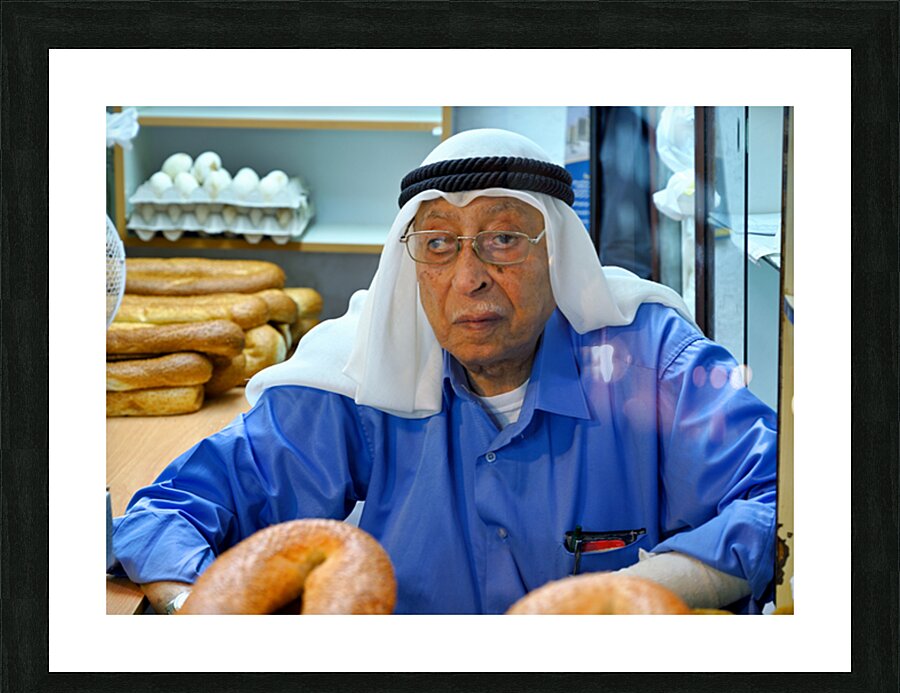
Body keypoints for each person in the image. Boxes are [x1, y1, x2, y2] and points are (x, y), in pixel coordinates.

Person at [112, 128, 777, 615]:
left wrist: (643, 590)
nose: (470, 277)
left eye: (504, 239)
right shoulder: (363, 374)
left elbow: (786, 500)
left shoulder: (651, 361)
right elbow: (167, 513)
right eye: (437, 244)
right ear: (413, 263)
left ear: (558, 253)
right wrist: (196, 613)